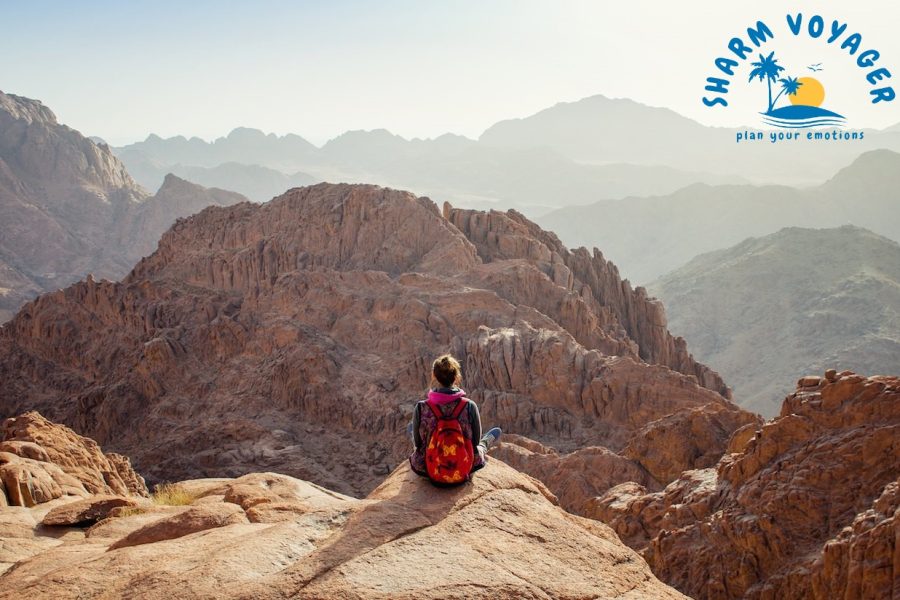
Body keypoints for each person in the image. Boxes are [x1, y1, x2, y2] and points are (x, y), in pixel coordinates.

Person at [409, 354, 501, 484]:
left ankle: (411, 434)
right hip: (463, 468)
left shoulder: (421, 407)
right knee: (479, 447)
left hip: (432, 470)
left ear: (434, 376)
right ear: (456, 376)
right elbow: (474, 441)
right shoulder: (469, 405)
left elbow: (419, 445)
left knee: (416, 442)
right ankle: (486, 443)